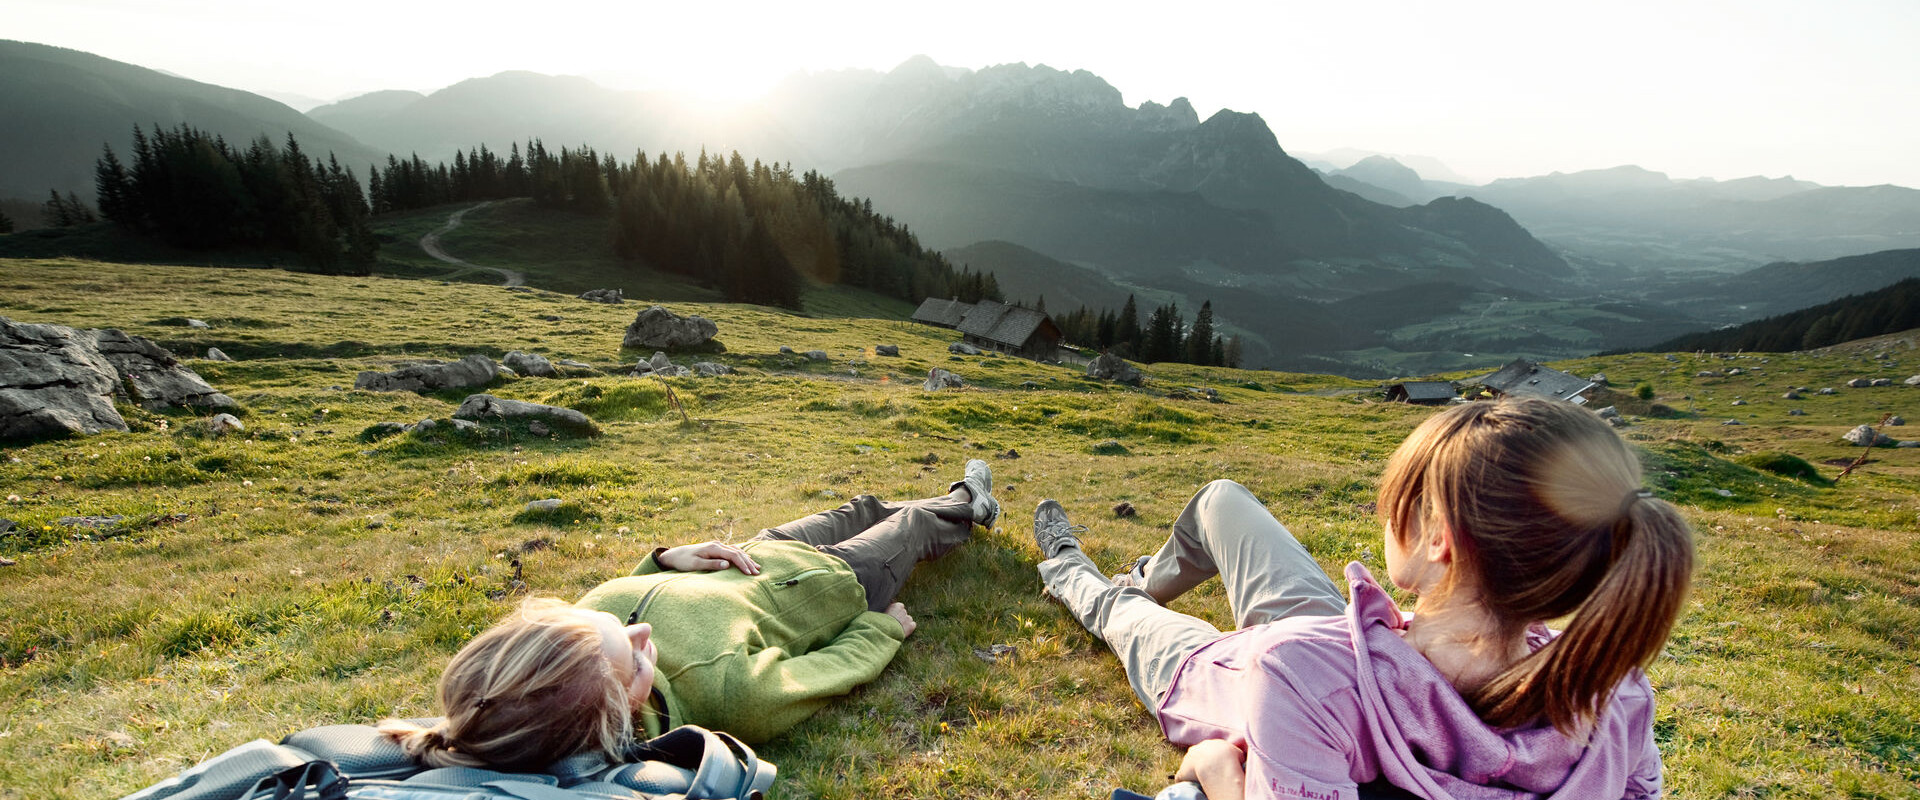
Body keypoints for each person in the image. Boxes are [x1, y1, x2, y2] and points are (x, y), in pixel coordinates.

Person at [1032, 398, 1693, 800]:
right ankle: (1146, 575)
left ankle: (1070, 568)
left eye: (1404, 499)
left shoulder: (1302, 678)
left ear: (1439, 538)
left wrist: (1212, 767)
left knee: (1123, 616)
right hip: (1357, 640)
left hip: (1226, 669)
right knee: (1221, 500)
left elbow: (1301, 684)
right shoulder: (1613, 697)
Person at [379, 460, 1000, 769]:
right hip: (838, 583)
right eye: (636, 656)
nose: (638, 630)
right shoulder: (727, 694)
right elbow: (828, 671)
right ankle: (968, 503)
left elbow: (632, 592)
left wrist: (664, 558)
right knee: (913, 525)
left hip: (758, 552)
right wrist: (880, 627)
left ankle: (953, 501)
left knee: (864, 505)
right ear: (623, 714)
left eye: (614, 626)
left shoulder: (577, 644)